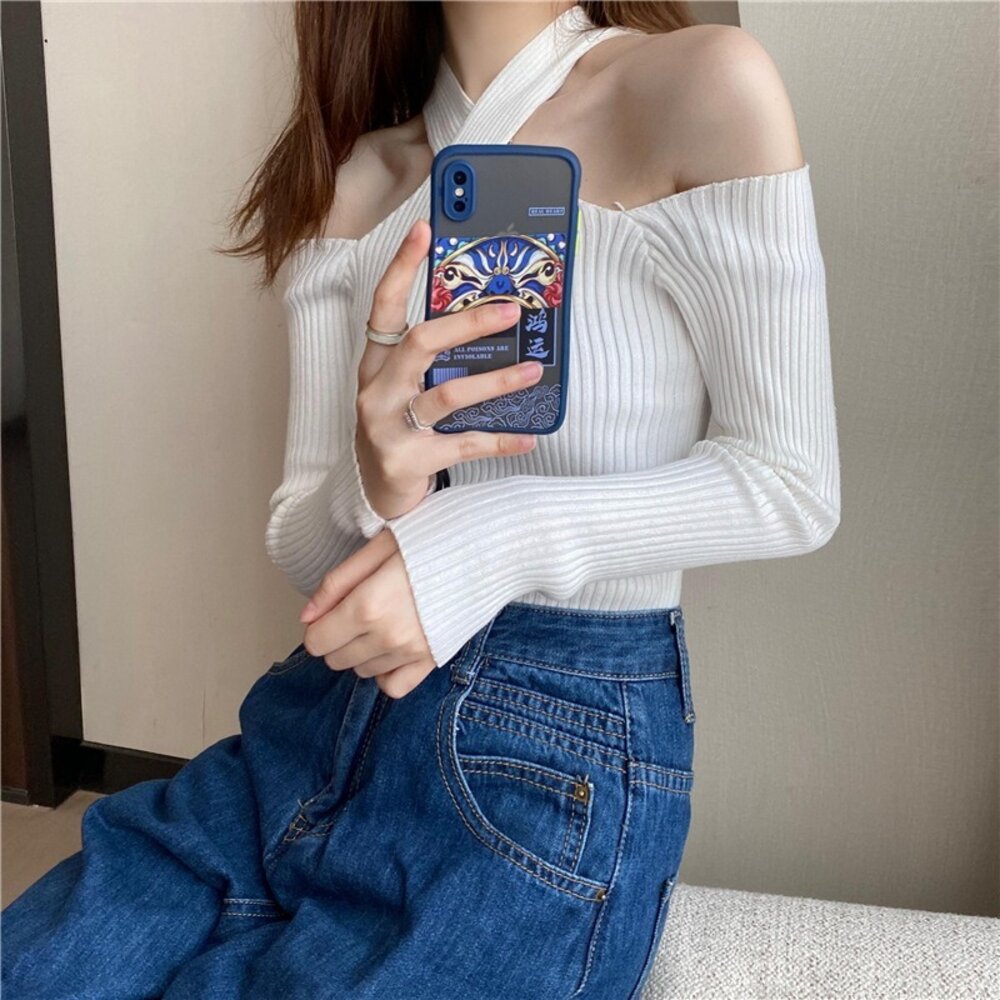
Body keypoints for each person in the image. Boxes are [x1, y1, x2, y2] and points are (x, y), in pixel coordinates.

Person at [1, 2, 841, 997]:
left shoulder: (700, 88)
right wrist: (376, 477)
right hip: (317, 718)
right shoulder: (357, 178)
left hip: (551, 745)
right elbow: (305, 546)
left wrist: (487, 533)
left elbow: (789, 482)